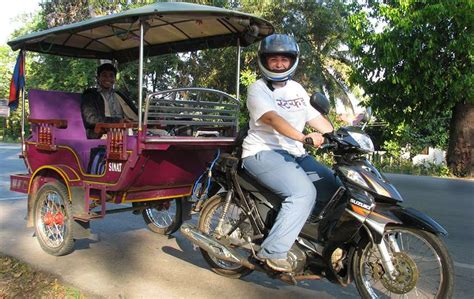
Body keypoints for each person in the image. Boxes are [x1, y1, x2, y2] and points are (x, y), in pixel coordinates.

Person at [241, 34, 333, 272]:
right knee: (303, 194)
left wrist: (337, 135)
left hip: (295, 153)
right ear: (265, 61)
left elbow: (315, 118)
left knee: (334, 187)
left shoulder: (297, 89)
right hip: (262, 152)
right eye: (274, 59)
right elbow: (272, 119)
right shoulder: (257, 89)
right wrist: (303, 137)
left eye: (284, 59)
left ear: (292, 61)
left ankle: (306, 237)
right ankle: (272, 253)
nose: (279, 64)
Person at [81, 63, 138, 139]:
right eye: (104, 75)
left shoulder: (120, 95)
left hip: (124, 132)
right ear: (98, 78)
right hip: (101, 134)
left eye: (111, 76)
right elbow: (91, 119)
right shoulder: (90, 95)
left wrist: (154, 118)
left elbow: (135, 113)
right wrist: (117, 121)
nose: (108, 78)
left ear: (114, 79)